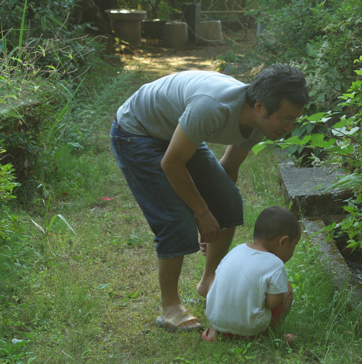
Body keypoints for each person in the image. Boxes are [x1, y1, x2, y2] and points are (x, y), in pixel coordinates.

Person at [110, 64, 308, 332]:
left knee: (229, 200)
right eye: (285, 119)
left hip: (175, 129)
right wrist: (202, 214)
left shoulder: (260, 124)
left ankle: (208, 282)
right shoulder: (212, 107)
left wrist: (217, 208)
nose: (289, 127)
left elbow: (228, 169)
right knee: (175, 220)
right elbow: (171, 164)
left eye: (294, 119)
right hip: (137, 131)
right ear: (260, 106)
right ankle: (170, 307)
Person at [202, 206, 301, 342]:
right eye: (293, 246)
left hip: (218, 323)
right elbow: (273, 303)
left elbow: (214, 282)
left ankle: (213, 331)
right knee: (287, 289)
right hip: (250, 331)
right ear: (283, 242)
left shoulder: (236, 251)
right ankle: (271, 336)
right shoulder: (275, 264)